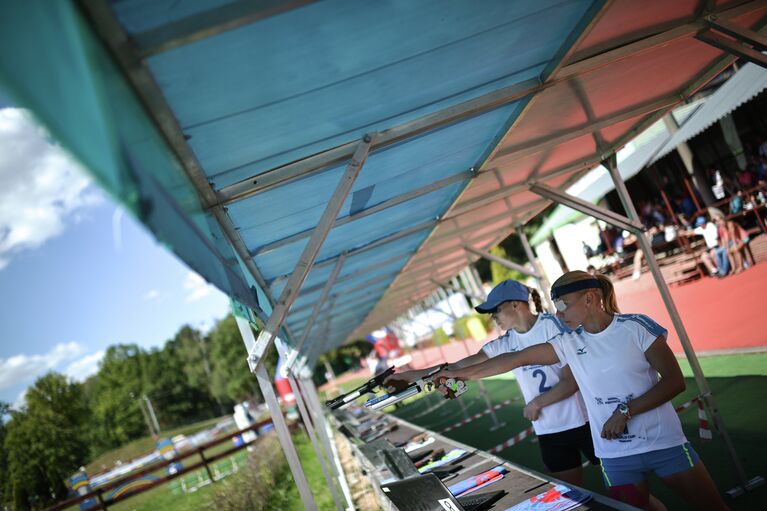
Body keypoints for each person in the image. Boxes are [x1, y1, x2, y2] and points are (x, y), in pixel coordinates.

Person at [434, 272, 728, 511]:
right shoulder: (568, 343)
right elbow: (514, 358)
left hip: (664, 445)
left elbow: (675, 382)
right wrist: (456, 373)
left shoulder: (636, 327)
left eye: (563, 305)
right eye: (555, 306)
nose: (558, 314)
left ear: (591, 298)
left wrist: (625, 411)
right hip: (615, 457)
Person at [384, 280, 598, 486]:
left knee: (622, 484)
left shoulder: (553, 326)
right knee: (573, 495)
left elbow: (571, 382)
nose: (493, 317)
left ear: (515, 304)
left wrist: (537, 403)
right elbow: (457, 367)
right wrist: (413, 375)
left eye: (495, 310)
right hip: (548, 430)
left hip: (585, 422)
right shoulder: (506, 342)